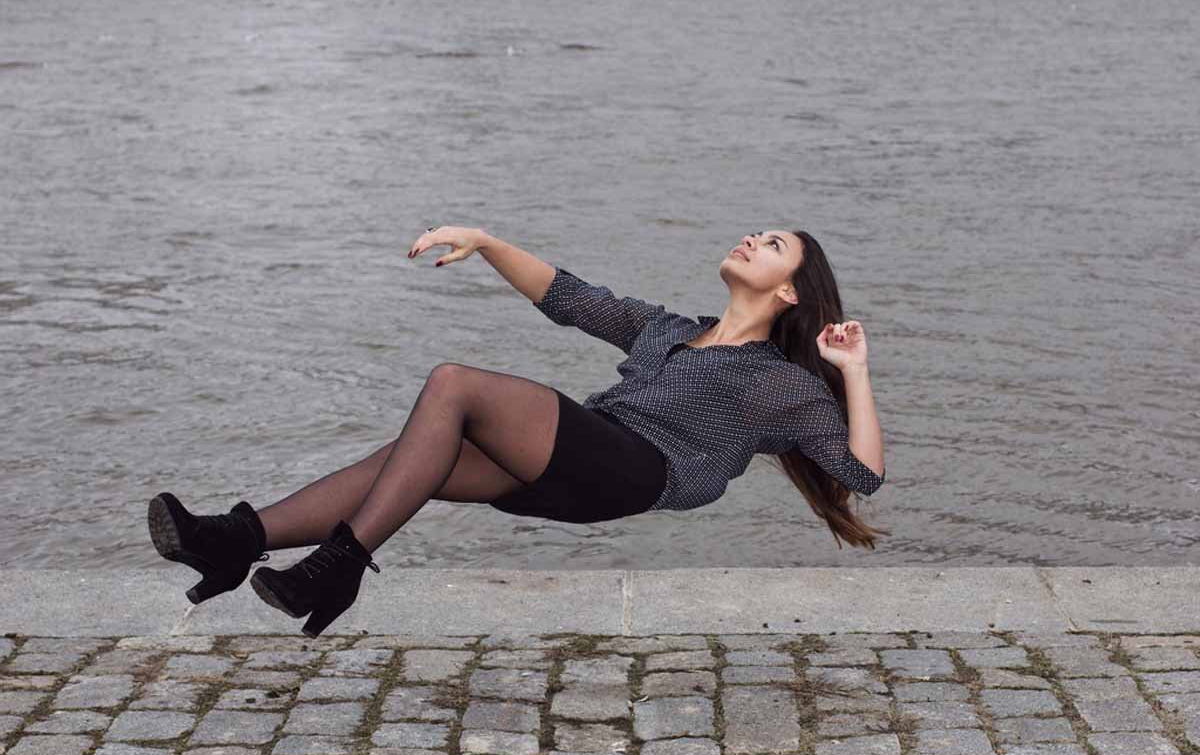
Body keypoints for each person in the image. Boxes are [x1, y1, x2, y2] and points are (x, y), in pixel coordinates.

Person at [147, 225, 888, 636]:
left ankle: (338, 565)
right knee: (415, 458)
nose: (750, 239)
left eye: (771, 245)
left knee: (454, 385)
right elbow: (572, 299)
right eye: (755, 233)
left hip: (638, 470)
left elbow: (860, 474)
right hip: (587, 459)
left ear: (788, 290)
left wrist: (853, 370)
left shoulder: (778, 382)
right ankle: (233, 541)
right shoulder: (668, 329)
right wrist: (488, 241)